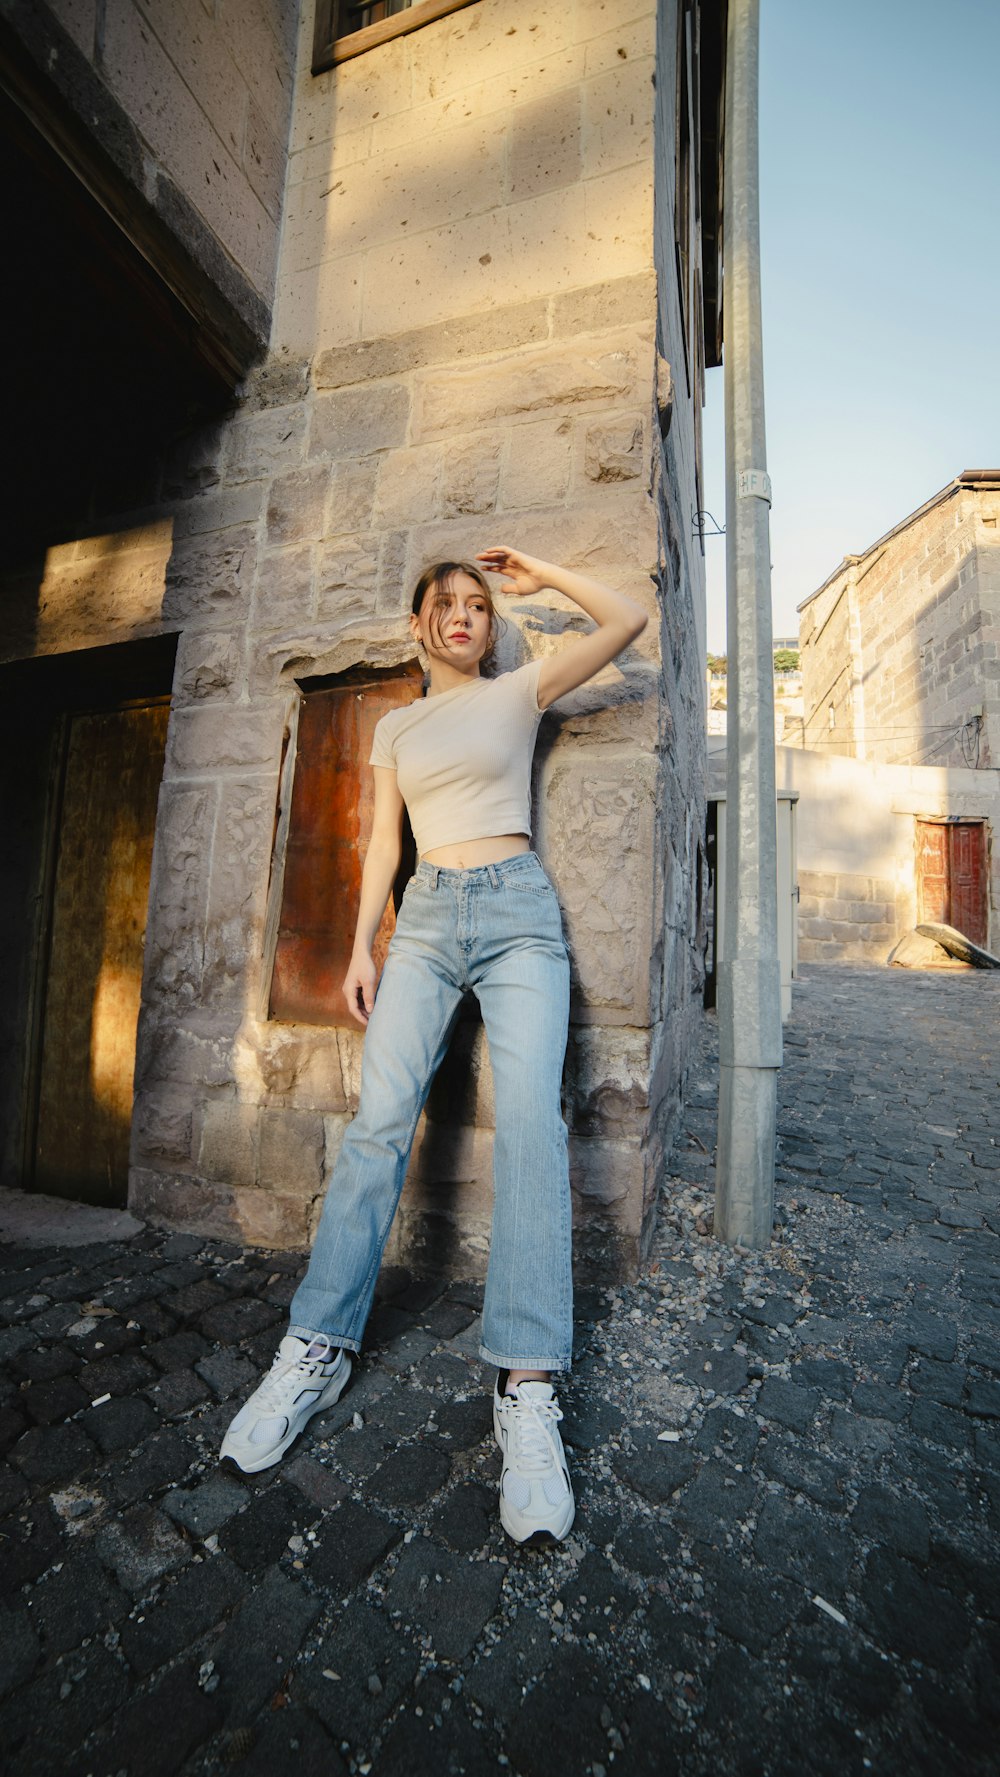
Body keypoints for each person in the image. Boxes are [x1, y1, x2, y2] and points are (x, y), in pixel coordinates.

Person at [220, 547, 647, 1544]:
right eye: (444, 604)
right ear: (418, 627)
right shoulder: (395, 723)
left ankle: (527, 1388)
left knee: (534, 1130)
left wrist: (537, 574)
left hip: (516, 911)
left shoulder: (521, 689)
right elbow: (383, 840)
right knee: (377, 1122)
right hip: (422, 920)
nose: (462, 614)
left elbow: (623, 618)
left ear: (489, 626)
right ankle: (315, 1349)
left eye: (476, 604)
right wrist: (364, 941)